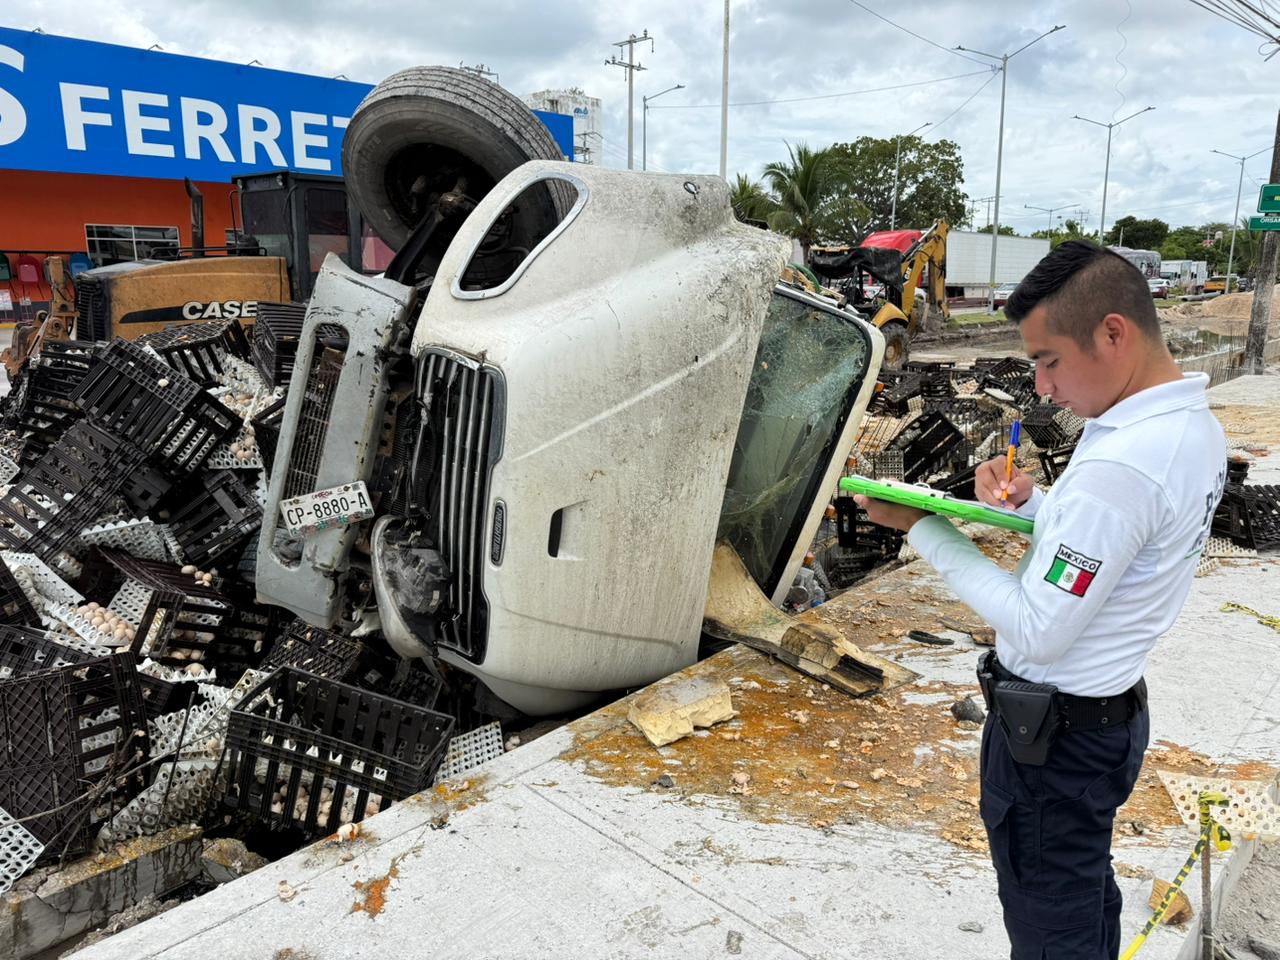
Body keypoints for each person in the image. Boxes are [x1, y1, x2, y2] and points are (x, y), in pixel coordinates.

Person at [854, 240, 1226, 960]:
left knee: (1051, 921)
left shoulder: (1124, 463)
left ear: (1113, 333)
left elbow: (1037, 626)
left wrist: (926, 529)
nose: (1043, 388)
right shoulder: (1184, 429)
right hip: (1100, 723)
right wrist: (1038, 502)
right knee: (1080, 894)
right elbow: (1123, 542)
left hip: (1055, 744)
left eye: (1049, 361)